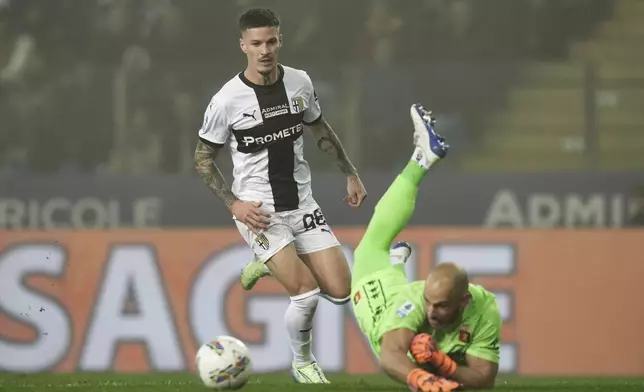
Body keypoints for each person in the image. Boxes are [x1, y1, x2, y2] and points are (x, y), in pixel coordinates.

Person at [193, 8, 366, 384]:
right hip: (260, 211)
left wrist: (350, 173)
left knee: (339, 291)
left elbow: (321, 129)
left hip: (302, 204)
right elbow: (203, 158)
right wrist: (234, 205)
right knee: (306, 294)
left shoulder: (300, 83)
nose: (265, 50)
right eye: (256, 43)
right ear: (243, 46)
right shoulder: (226, 101)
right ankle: (303, 363)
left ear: (280, 40)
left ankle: (265, 264)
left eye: (271, 41)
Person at [351, 104, 502, 391]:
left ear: (464, 301)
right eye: (430, 302)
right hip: (382, 303)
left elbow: (484, 379)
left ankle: (397, 260)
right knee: (369, 250)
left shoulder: (485, 309)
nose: (432, 312)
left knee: (375, 245)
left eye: (442, 305)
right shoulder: (415, 300)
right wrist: (424, 379)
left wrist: (443, 364)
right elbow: (390, 357)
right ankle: (421, 159)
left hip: (405, 301)